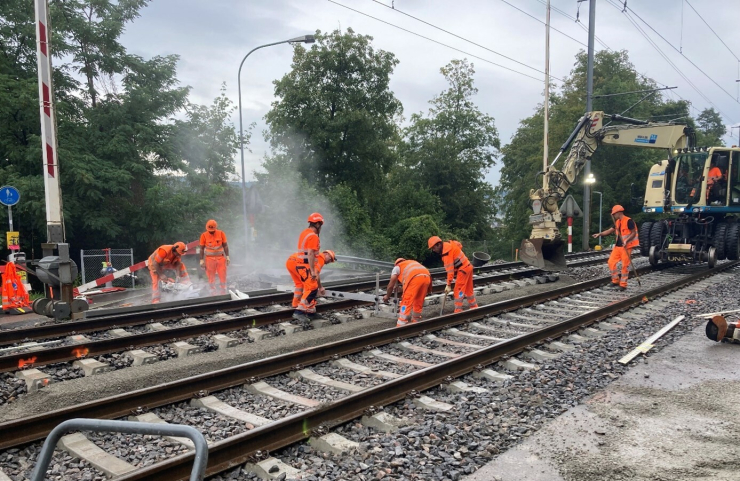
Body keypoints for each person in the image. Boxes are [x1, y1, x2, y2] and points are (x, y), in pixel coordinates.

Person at [592, 205, 639, 290]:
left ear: (618, 212)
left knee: (625, 265)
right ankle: (615, 280)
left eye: (614, 214)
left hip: (626, 247)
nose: (613, 216)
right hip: (618, 247)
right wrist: (599, 234)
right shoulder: (617, 222)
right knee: (611, 262)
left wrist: (626, 241)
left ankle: (623, 285)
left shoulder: (629, 221)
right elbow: (609, 231)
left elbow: (633, 233)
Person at [428, 236, 479, 313]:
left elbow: (450, 272)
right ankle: (474, 307)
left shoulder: (446, 253)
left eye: (433, 248)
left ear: (438, 244)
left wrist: (448, 284)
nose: (433, 250)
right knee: (468, 290)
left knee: (458, 290)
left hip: (463, 270)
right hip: (468, 266)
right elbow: (459, 245)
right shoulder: (449, 243)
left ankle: (458, 311)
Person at [290, 213, 325, 320]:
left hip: (300, 265)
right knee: (312, 288)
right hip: (306, 266)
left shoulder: (304, 233)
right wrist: (313, 270)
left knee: (310, 287)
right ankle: (299, 312)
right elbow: (310, 253)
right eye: (321, 225)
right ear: (318, 224)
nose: (321, 228)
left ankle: (310, 312)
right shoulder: (313, 236)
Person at [286, 249, 335, 321]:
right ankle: (299, 311)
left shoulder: (317, 256)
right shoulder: (321, 258)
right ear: (326, 254)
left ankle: (297, 304)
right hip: (298, 263)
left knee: (300, 285)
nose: (329, 262)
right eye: (330, 259)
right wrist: (320, 287)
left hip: (290, 262)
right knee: (312, 287)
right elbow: (316, 274)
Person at [383, 258, 432, 327]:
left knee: (406, 301)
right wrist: (400, 287)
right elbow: (412, 286)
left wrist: (387, 296)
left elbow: (390, 285)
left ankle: (401, 322)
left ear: (396, 264)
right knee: (419, 300)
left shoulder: (397, 267)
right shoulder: (410, 263)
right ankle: (416, 320)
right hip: (427, 277)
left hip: (415, 278)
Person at [199, 219, 230, 295]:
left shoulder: (221, 233)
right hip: (209, 259)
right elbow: (201, 248)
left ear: (215, 228)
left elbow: (225, 245)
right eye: (209, 230)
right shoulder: (204, 235)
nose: (211, 231)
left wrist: (228, 256)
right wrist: (201, 260)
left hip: (221, 258)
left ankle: (223, 290)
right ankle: (212, 291)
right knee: (210, 275)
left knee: (222, 274)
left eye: (212, 230)